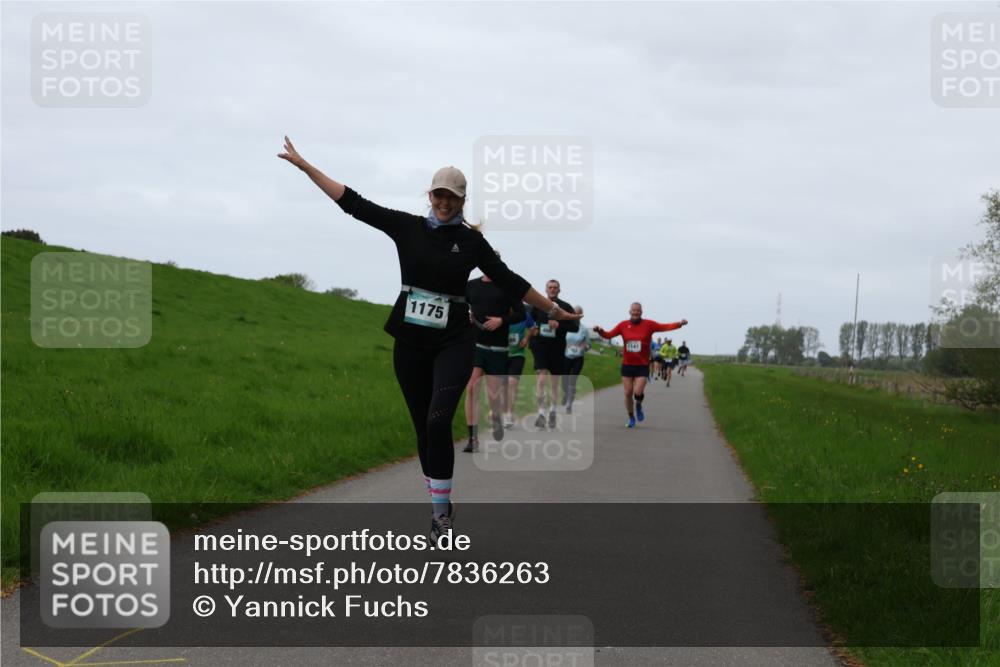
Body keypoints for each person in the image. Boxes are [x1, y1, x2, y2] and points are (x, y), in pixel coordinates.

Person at [278, 137, 580, 545]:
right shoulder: (408, 227)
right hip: (410, 341)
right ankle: (439, 502)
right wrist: (306, 167)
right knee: (423, 428)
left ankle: (441, 517)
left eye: (452, 197)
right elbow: (354, 203)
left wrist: (554, 311)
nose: (444, 202)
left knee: (439, 421)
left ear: (462, 200)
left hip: (454, 341)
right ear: (430, 194)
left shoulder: (472, 243)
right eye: (438, 194)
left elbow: (512, 281)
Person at [593, 303, 687, 428]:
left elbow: (664, 327)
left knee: (637, 392)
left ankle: (638, 404)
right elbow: (609, 335)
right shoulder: (623, 325)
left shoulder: (649, 325)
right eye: (633, 310)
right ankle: (631, 417)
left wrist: (679, 324)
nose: (635, 312)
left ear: (641, 312)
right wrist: (599, 330)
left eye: (638, 311)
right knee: (627, 393)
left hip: (642, 365)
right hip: (627, 365)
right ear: (629, 311)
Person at [462, 267, 525, 453]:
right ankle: (472, 438)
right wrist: (466, 316)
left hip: (498, 348)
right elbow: (458, 303)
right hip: (476, 345)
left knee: (493, 395)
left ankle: (496, 417)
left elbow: (521, 313)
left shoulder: (507, 287)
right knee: (472, 388)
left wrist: (501, 321)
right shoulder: (471, 285)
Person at [529, 280, 579, 429]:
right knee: (542, 379)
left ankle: (552, 411)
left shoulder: (565, 306)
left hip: (557, 348)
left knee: (555, 383)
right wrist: (534, 328)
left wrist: (559, 325)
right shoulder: (538, 304)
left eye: (555, 288)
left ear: (559, 290)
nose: (552, 290)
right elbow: (530, 320)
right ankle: (541, 413)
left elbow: (575, 327)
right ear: (546, 289)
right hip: (540, 347)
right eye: (550, 287)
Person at [501, 306, 534, 428]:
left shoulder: (523, 314)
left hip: (518, 354)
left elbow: (533, 327)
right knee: (503, 386)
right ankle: (503, 412)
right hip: (502, 354)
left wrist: (526, 338)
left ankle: (509, 414)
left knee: (512, 383)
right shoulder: (500, 312)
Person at [561, 306, 590, 414]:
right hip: (566, 356)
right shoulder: (566, 326)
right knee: (564, 381)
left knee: (573, 381)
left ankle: (569, 404)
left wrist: (584, 346)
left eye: (578, 314)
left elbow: (589, 345)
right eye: (574, 313)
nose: (576, 316)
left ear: (580, 316)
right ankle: (566, 394)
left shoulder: (584, 329)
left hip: (578, 358)